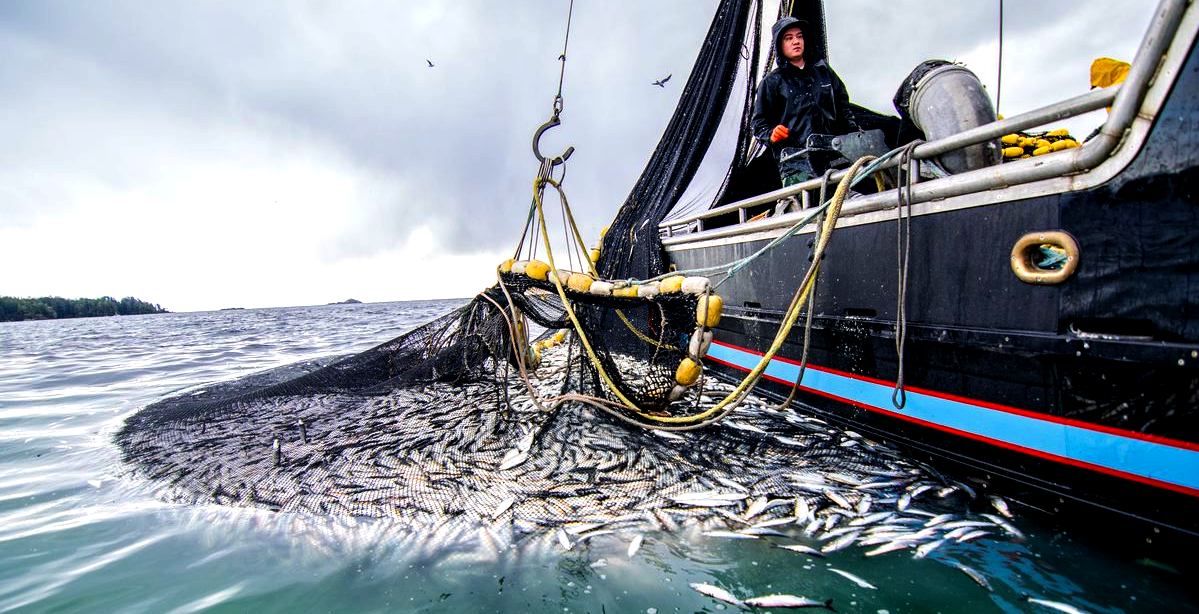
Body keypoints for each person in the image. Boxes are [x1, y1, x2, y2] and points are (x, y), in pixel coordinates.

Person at [752, 17, 859, 186]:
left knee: (847, 200)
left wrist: (853, 136)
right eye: (789, 38)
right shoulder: (771, 82)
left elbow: (844, 108)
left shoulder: (824, 72)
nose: (796, 41)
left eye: (799, 36)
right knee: (809, 207)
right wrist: (771, 134)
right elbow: (758, 124)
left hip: (833, 157)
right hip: (796, 165)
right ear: (779, 45)